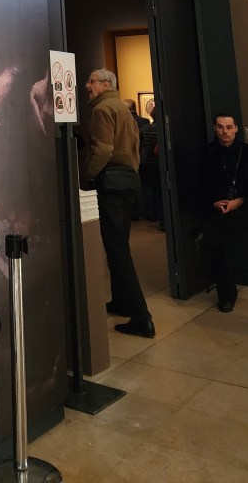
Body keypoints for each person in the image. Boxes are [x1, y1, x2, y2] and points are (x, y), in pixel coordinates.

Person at [80, 69, 155, 338]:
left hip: (110, 185)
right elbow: (134, 148)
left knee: (117, 250)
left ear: (104, 84)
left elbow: (102, 149)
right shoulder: (122, 109)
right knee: (118, 246)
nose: (87, 85)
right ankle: (122, 301)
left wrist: (85, 175)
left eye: (91, 81)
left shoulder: (102, 110)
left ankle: (141, 316)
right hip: (126, 182)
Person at [198, 113, 248, 313]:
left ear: (236, 128)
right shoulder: (208, 152)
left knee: (220, 233)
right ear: (214, 128)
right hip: (221, 207)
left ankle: (206, 233)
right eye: (220, 127)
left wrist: (238, 201)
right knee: (223, 243)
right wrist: (215, 202)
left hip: (246, 204)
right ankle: (227, 297)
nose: (225, 131)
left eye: (229, 127)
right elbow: (201, 184)